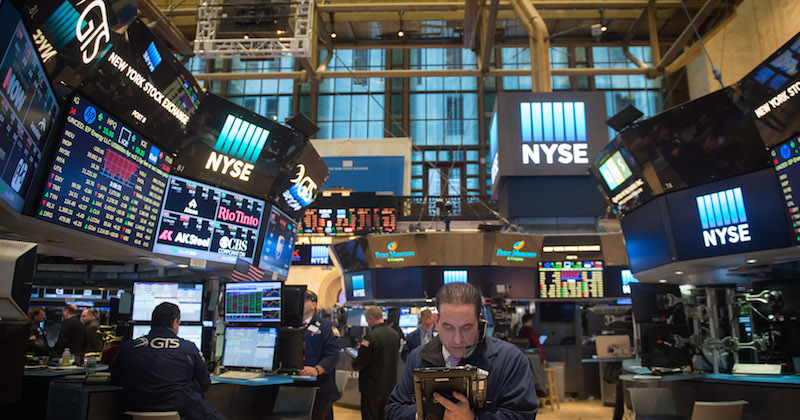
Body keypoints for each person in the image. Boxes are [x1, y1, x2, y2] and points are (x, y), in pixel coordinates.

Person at [386, 282, 538, 419]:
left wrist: (473, 418)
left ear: (479, 322)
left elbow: (523, 416)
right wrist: (424, 414)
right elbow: (393, 410)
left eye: (466, 327)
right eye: (448, 327)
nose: (457, 339)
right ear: (436, 322)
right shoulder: (417, 358)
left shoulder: (510, 360)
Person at [111, 302, 223, 420]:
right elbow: (204, 384)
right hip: (183, 413)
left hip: (136, 413)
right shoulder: (188, 349)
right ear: (175, 323)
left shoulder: (129, 347)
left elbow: (115, 379)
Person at [352, 306, 400, 420]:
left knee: (370, 416)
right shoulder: (394, 334)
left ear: (371, 318)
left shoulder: (370, 337)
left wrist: (354, 363)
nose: (367, 324)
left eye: (367, 320)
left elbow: (361, 362)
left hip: (371, 388)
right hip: (390, 386)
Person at [301, 290, 341, 420]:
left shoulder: (326, 326)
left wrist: (317, 369)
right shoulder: (292, 326)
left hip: (320, 388)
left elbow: (333, 355)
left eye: (304, 300)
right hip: (296, 385)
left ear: (313, 305)